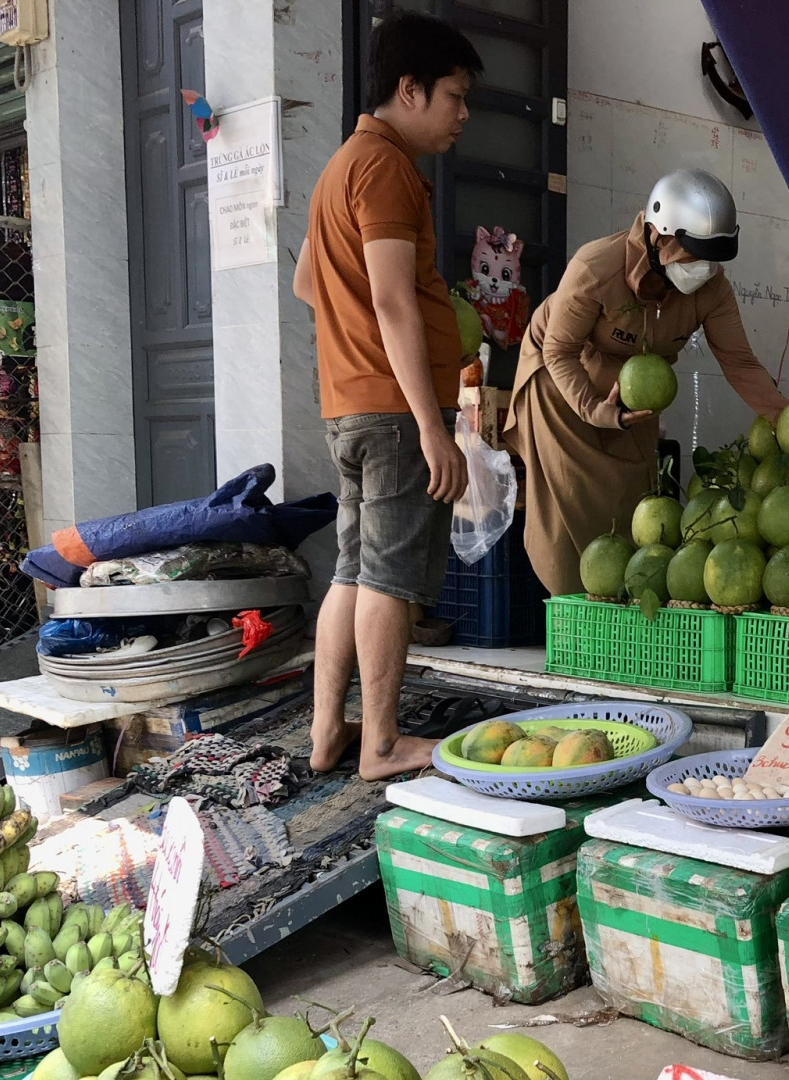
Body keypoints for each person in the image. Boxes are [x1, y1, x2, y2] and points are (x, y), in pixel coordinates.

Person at [301, 13, 481, 778]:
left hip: (349, 404)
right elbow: (395, 300)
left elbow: (308, 283)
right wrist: (432, 429)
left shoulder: (341, 167)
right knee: (388, 577)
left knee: (350, 569)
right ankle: (380, 742)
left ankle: (325, 734)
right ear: (409, 90)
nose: (463, 115)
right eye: (453, 96)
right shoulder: (386, 170)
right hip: (393, 411)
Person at [507, 170, 789, 597]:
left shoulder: (712, 290)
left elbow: (739, 362)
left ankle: (627, 611)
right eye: (695, 255)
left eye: (713, 258)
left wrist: (784, 419)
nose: (704, 269)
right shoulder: (596, 267)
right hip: (561, 384)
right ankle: (571, 612)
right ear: (658, 237)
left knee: (636, 502)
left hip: (634, 390)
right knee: (571, 504)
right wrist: (593, 409)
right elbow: (559, 350)